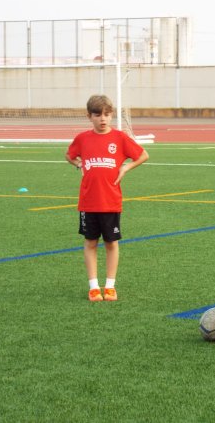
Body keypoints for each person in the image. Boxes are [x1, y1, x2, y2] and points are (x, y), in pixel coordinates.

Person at [65, 95, 149, 302]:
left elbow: (143, 155)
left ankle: (110, 286)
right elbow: (69, 155)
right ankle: (94, 287)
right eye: (97, 115)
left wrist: (126, 167)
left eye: (107, 114)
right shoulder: (83, 138)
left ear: (111, 115)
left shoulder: (119, 138)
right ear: (89, 116)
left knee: (111, 243)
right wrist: (79, 165)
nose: (103, 119)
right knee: (90, 242)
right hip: (88, 201)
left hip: (111, 201)